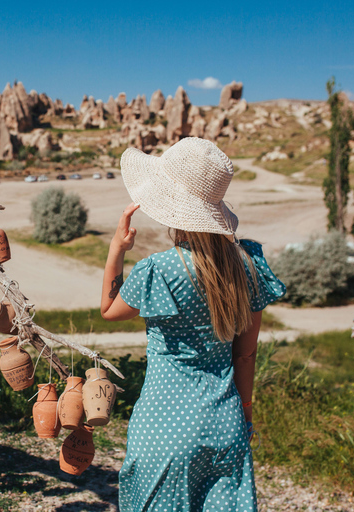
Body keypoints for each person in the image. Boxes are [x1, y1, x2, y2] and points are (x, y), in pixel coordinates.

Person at [100, 138, 286, 511]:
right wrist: (245, 411)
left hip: (164, 427)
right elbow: (245, 355)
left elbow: (109, 308)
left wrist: (116, 250)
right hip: (225, 422)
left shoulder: (159, 270)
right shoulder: (248, 264)